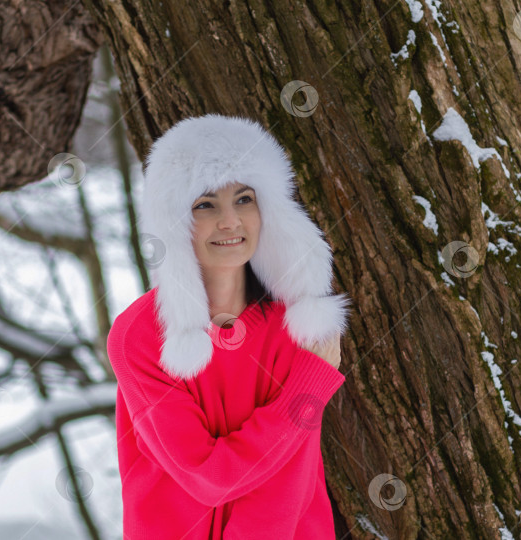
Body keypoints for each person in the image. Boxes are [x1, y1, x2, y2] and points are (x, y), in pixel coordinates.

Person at [107, 113, 352, 539]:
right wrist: (306, 390)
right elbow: (208, 477)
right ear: (175, 219)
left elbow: (286, 477)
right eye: (206, 204)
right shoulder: (141, 336)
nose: (229, 221)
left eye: (244, 199)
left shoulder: (293, 323)